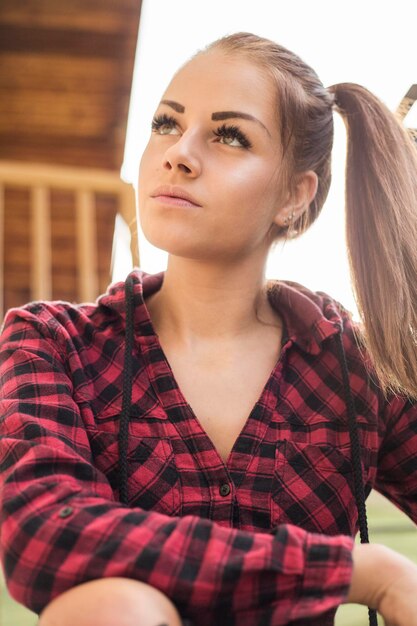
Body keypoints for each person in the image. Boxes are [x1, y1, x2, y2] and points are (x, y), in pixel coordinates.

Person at [0, 31, 416, 626]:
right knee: (114, 606)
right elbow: (45, 534)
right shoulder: (52, 344)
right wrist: (364, 573)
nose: (178, 153)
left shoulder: (356, 369)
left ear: (295, 197)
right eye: (166, 124)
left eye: (229, 135)